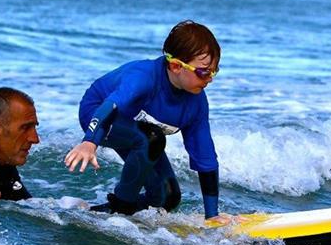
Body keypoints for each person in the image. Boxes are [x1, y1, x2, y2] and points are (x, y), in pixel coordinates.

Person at [65, 20, 223, 221]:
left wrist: (212, 217)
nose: (210, 78)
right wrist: (89, 142)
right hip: (98, 114)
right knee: (151, 138)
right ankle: (122, 206)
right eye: (203, 71)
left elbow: (205, 156)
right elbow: (109, 106)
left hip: (136, 130)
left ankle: (101, 213)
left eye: (214, 71)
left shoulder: (196, 103)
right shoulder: (143, 77)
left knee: (168, 198)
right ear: (176, 66)